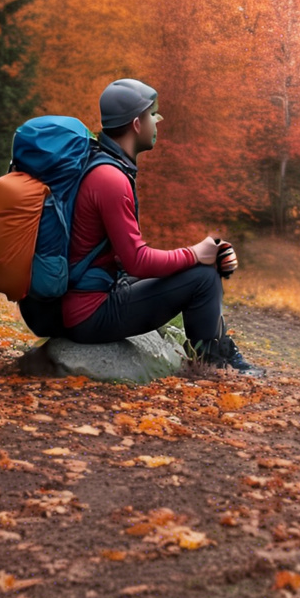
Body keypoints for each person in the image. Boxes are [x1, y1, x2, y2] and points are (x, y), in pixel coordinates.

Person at [61, 77, 262, 375]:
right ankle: (215, 364)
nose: (158, 121)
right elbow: (137, 261)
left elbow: (121, 259)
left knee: (193, 269)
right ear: (136, 124)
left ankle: (216, 347)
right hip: (90, 314)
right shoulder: (111, 179)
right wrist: (195, 254)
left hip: (85, 298)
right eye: (152, 114)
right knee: (204, 276)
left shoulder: (102, 165)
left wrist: (192, 258)